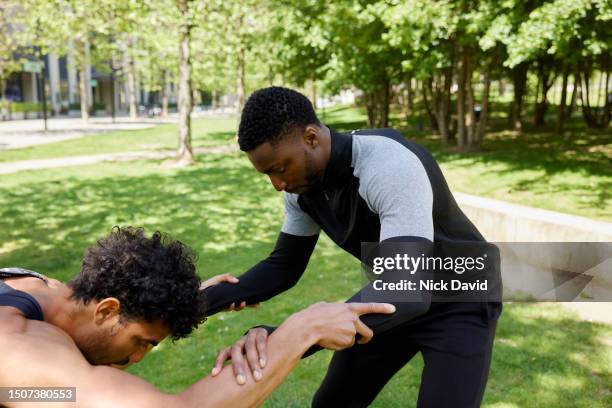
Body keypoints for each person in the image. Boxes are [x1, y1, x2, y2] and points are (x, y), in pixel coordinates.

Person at [202, 86, 503, 407]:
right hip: (390, 296)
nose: (278, 185)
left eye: (279, 168)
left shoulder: (388, 165)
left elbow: (407, 290)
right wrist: (188, 307)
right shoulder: (302, 189)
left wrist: (289, 336)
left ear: (311, 138)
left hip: (459, 297)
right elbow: (283, 267)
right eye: (267, 174)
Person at [0, 226, 395, 408]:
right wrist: (301, 330)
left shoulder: (40, 288)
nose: (138, 359)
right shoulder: (18, 345)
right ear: (107, 309)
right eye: (142, 342)